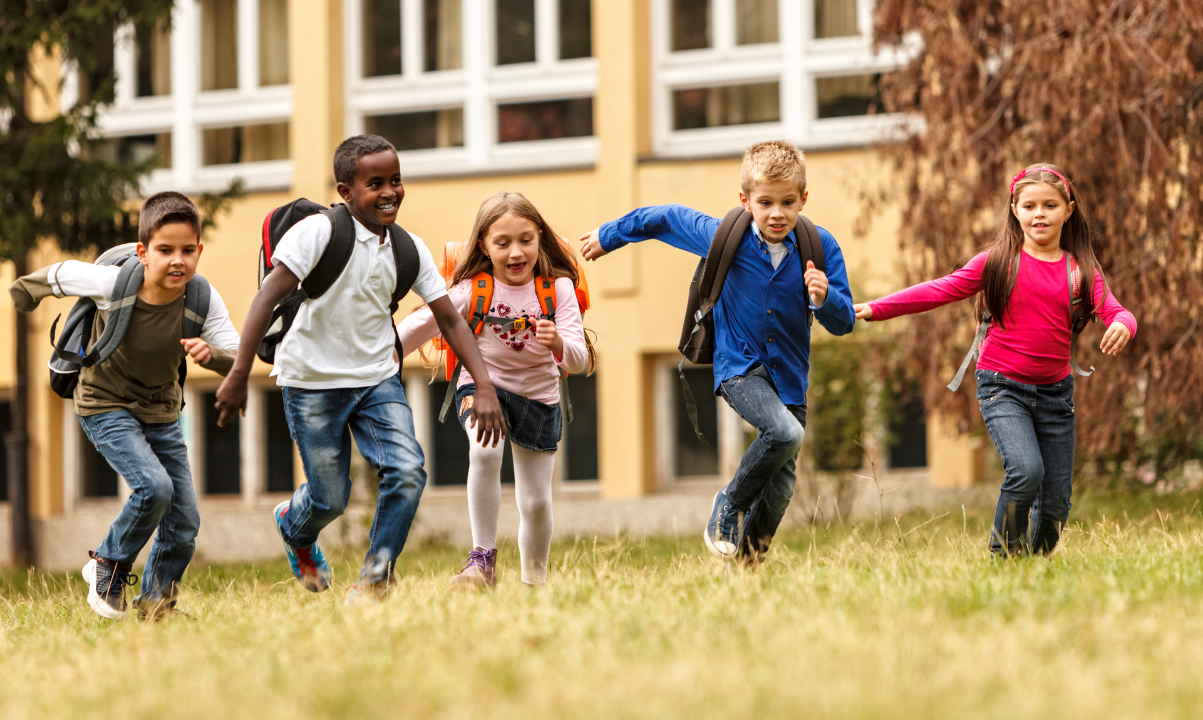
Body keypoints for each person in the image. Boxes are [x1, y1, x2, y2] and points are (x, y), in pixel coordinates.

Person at [214, 135, 504, 604]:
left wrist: (484, 385)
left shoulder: (409, 249)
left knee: (408, 469)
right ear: (346, 191)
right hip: (311, 382)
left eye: (396, 180)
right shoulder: (317, 234)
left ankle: (375, 579)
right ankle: (295, 524)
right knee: (330, 497)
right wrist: (237, 374)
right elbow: (267, 298)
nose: (390, 191)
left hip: (375, 378)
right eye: (375, 184)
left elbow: (449, 317)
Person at [579, 140, 856, 563]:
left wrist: (824, 298)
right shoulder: (727, 237)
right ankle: (728, 503)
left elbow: (844, 323)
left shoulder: (821, 248)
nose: (776, 213)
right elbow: (666, 218)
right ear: (745, 201)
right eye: (765, 202)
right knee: (786, 433)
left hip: (790, 380)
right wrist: (608, 235)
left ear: (803, 199)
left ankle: (747, 566)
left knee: (781, 489)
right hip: (739, 369)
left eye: (787, 202)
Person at [855, 164, 1135, 555]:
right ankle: (1004, 556)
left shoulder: (1081, 271)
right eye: (1030, 205)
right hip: (1002, 387)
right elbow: (940, 290)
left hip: (1056, 395)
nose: (1039, 214)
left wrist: (1124, 324)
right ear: (1015, 209)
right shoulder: (998, 263)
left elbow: (1117, 311)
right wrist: (877, 308)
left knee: (1055, 506)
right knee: (1025, 471)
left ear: (1068, 211)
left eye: (1050, 206)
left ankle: (1034, 569)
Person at [9, 192, 240, 620]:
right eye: (165, 250)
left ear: (199, 252)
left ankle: (156, 604)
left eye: (187, 251)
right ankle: (108, 563)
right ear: (143, 252)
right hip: (104, 404)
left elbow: (237, 354)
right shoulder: (114, 285)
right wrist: (25, 293)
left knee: (184, 521)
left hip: (162, 412)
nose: (177, 261)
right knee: (154, 488)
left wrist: (214, 355)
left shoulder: (201, 299)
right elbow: (62, 274)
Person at [397, 192, 593, 588]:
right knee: (485, 450)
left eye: (525, 239)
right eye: (502, 243)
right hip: (484, 389)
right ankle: (482, 560)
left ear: (539, 237)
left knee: (536, 504)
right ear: (484, 247)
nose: (516, 252)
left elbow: (580, 362)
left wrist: (558, 344)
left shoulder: (558, 291)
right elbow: (419, 327)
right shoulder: (473, 290)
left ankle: (533, 585)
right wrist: (370, 357)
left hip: (540, 399)